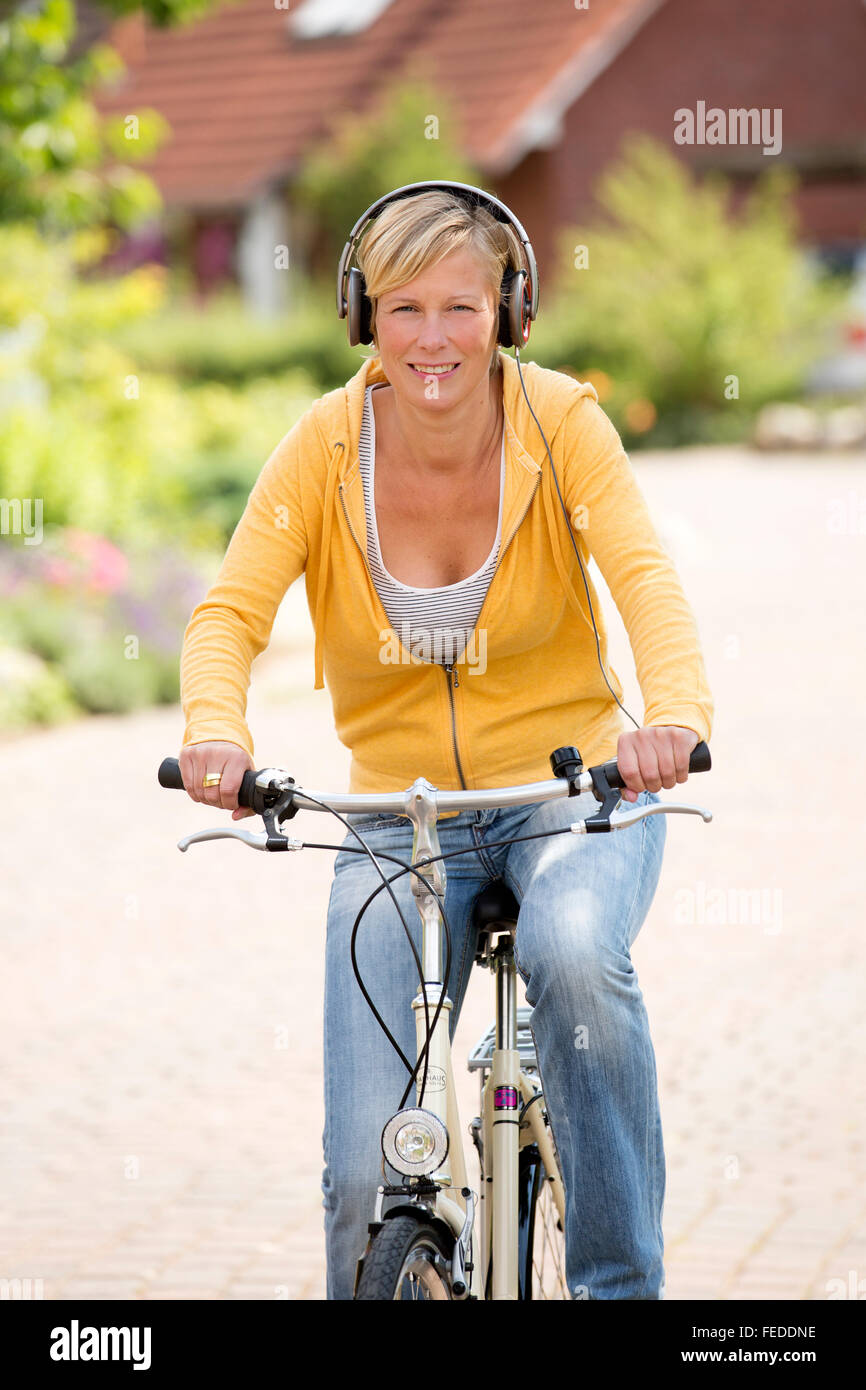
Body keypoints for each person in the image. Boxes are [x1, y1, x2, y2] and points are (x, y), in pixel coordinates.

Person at [178, 187, 713, 1300]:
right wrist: (215, 732)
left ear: (508, 310)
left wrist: (674, 716)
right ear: (361, 316)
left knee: (571, 947)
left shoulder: (560, 421)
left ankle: (619, 1288)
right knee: (368, 1159)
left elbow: (643, 577)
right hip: (400, 815)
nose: (431, 339)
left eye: (460, 307)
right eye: (404, 307)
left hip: (576, 790)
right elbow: (229, 613)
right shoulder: (320, 448)